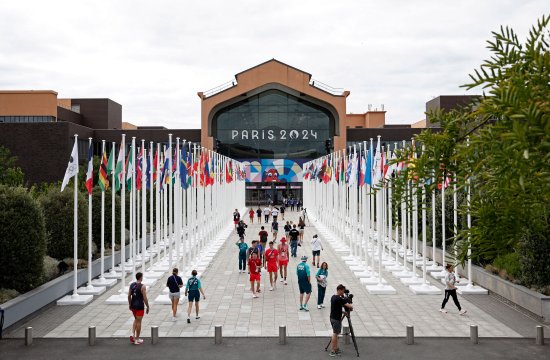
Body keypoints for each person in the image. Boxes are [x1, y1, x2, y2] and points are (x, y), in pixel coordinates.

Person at [329, 284, 353, 357]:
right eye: (343, 291)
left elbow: (336, 308)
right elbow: (350, 306)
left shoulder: (333, 297)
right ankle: (333, 351)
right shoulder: (339, 299)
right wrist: (349, 301)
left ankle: (336, 348)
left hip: (332, 318)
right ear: (339, 290)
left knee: (336, 334)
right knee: (335, 334)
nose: (343, 292)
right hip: (336, 319)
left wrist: (343, 312)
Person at [128, 272, 150, 345]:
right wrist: (147, 306)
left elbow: (129, 296)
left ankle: (132, 335)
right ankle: (137, 339)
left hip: (133, 305)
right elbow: (144, 297)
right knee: (139, 322)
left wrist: (130, 304)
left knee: (136, 319)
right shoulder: (143, 286)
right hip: (140, 306)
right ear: (141, 277)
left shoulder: (132, 285)